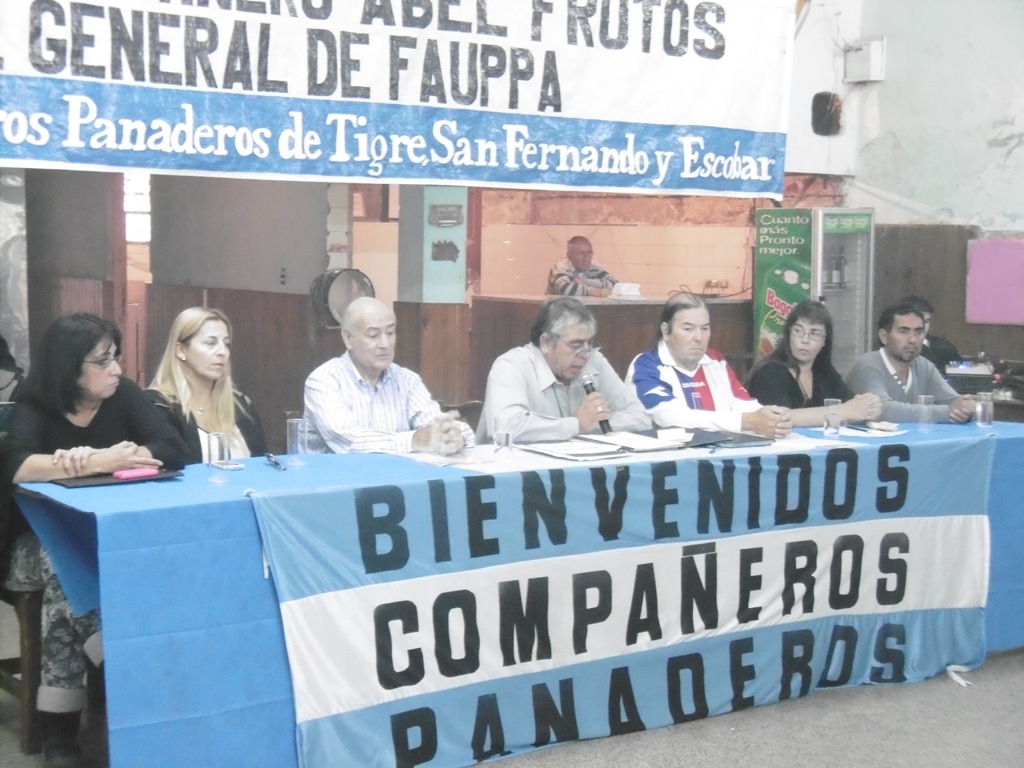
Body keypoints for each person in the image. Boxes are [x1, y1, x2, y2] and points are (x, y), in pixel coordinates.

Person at [0, 313, 187, 766]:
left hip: (104, 536)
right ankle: (121, 664)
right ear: (70, 367)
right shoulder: (35, 400)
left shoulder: (124, 394)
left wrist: (127, 455)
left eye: (116, 356)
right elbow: (17, 465)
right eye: (103, 361)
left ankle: (59, 730)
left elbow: (171, 448)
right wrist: (97, 462)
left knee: (63, 591)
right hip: (34, 540)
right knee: (61, 559)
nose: (116, 369)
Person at [304, 297, 473, 455]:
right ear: (348, 338)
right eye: (373, 335)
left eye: (390, 333)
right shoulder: (323, 381)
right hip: (337, 476)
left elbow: (435, 425)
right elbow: (349, 440)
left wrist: (453, 435)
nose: (385, 344)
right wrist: (414, 440)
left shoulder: (407, 381)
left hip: (398, 475)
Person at [478, 297, 651, 442]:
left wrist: (592, 424)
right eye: (576, 345)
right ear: (546, 343)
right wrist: (575, 425)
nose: (585, 354)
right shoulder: (511, 365)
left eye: (590, 343)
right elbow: (505, 428)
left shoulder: (594, 361)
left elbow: (641, 418)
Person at [627, 292, 792, 438]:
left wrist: (771, 418)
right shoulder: (646, 366)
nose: (699, 338)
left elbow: (742, 404)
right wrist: (747, 421)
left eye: (705, 328)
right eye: (688, 329)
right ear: (665, 331)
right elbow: (672, 418)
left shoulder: (716, 361)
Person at [147, 307, 267, 463]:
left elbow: (262, 464)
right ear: (181, 351)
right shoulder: (158, 406)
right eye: (210, 343)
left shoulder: (241, 403)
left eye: (226, 344)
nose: (222, 352)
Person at [745, 300, 882, 427]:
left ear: (825, 341)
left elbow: (852, 405)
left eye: (814, 333)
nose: (805, 340)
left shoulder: (824, 371)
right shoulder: (770, 372)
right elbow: (780, 419)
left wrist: (868, 406)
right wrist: (843, 411)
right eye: (798, 331)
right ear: (788, 334)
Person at [846, 301, 975, 424]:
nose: (913, 339)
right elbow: (882, 411)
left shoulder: (924, 366)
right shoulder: (867, 365)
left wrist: (967, 408)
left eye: (918, 332)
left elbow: (954, 401)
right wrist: (947, 412)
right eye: (903, 331)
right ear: (884, 336)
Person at [899, 294, 963, 371]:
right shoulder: (895, 347)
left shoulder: (944, 348)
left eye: (926, 321)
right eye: (918, 321)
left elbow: (961, 372)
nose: (922, 326)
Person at [546, 235, 618, 297]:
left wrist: (585, 282)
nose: (586, 258)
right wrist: (593, 291)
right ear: (569, 256)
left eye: (589, 253)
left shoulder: (595, 266)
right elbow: (566, 290)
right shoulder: (561, 267)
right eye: (581, 254)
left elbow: (615, 286)